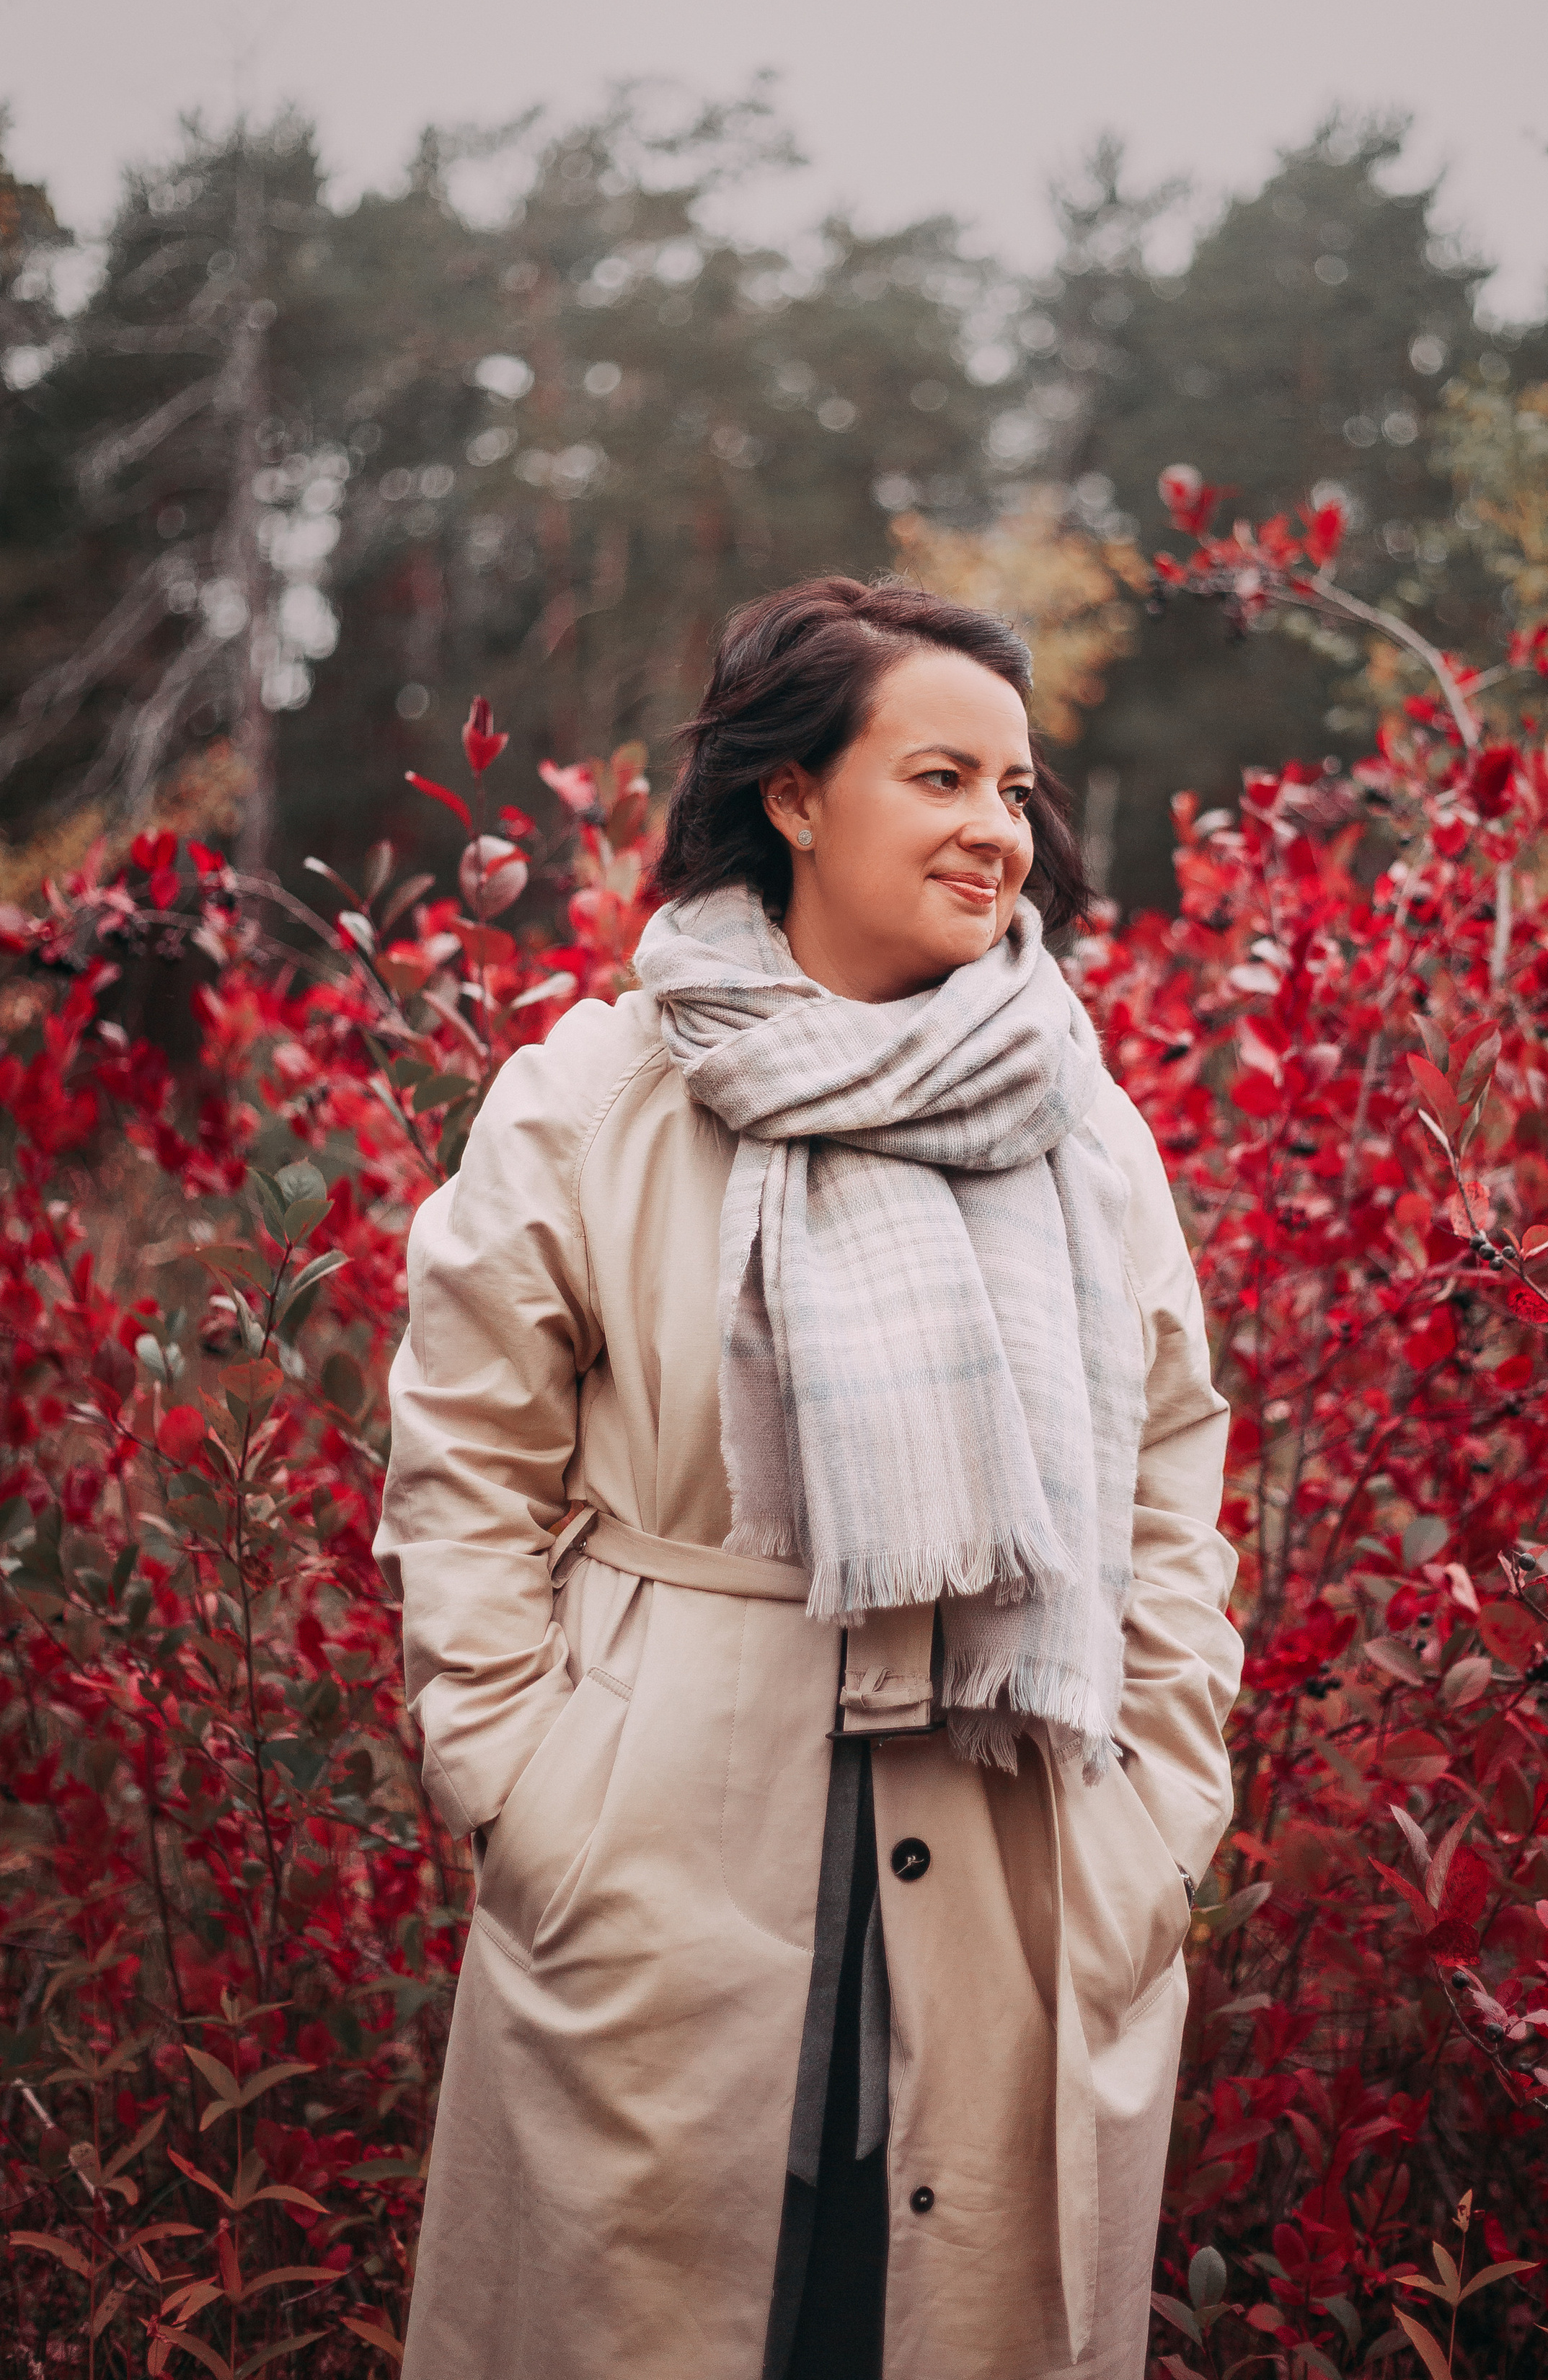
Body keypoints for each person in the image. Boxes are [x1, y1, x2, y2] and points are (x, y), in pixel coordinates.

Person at [375, 577, 1242, 2380]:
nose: (994, 832)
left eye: (1013, 792)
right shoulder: (597, 1094)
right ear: (793, 796)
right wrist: (522, 1789)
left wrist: (1155, 1821)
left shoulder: (1080, 1124)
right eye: (939, 778)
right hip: (658, 1843)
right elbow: (464, 1453)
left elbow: (1171, 1476)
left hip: (1020, 1854)